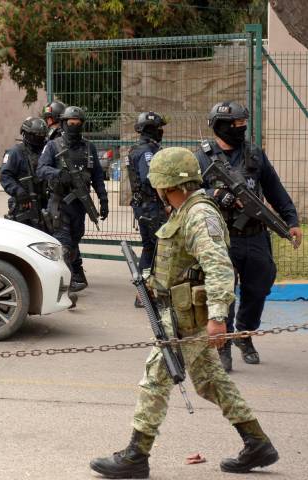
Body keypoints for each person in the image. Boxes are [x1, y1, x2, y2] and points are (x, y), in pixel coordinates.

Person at [90, 147, 279, 479]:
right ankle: (257, 442)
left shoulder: (198, 215)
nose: (156, 191)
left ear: (169, 184)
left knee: (154, 380)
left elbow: (219, 267)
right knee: (210, 382)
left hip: (186, 318)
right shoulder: (184, 211)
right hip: (178, 312)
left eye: (158, 185)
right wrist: (151, 281)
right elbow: (181, 265)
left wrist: (219, 317)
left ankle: (136, 455)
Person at [195, 100, 301, 372]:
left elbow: (275, 189)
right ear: (219, 126)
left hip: (255, 236)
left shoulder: (254, 154)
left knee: (260, 286)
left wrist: (291, 220)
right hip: (221, 238)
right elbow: (187, 193)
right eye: (235, 125)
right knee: (224, 291)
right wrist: (215, 194)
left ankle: (245, 333)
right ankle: (225, 344)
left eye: (243, 124)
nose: (240, 129)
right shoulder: (202, 157)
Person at [37, 106, 108, 293]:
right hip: (59, 203)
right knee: (64, 245)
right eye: (71, 123)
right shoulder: (53, 145)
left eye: (78, 124)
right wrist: (59, 173)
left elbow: (98, 176)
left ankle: (75, 276)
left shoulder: (88, 147)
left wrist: (103, 199)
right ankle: (63, 287)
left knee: (74, 241)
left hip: (79, 205)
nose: (74, 126)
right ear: (63, 123)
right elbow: (41, 169)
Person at [127, 111, 168, 307]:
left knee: (149, 248)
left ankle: (143, 293)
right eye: (159, 128)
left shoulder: (138, 149)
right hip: (152, 207)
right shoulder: (147, 151)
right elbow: (151, 179)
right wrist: (167, 203)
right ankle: (148, 293)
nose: (161, 131)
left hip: (143, 206)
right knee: (159, 249)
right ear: (151, 129)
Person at [0, 116, 49, 229]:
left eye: (42, 135)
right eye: (36, 135)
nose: (39, 138)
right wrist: (19, 192)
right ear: (26, 133)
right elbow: (5, 176)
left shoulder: (47, 150)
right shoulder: (15, 152)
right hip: (23, 203)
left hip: (45, 203)